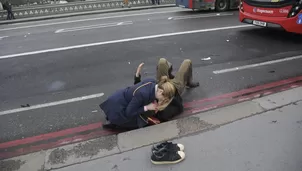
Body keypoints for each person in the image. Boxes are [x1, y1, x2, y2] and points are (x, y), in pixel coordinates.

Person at [134, 58, 199, 123]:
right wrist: (170, 98)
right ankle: (188, 82)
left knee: (162, 61)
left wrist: (137, 76)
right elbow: (179, 107)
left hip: (162, 82)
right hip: (175, 87)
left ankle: (169, 75)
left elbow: (139, 90)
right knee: (187, 62)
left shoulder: (148, 100)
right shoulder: (164, 113)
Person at [100, 75, 176, 130]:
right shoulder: (143, 95)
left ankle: (111, 117)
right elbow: (129, 112)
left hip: (119, 98)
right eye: (164, 98)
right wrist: (147, 107)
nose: (163, 100)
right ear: (161, 91)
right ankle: (115, 124)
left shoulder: (152, 82)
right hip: (118, 109)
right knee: (140, 123)